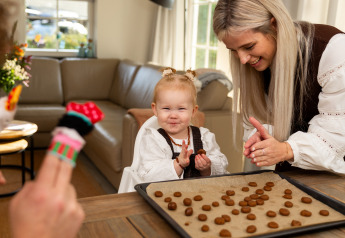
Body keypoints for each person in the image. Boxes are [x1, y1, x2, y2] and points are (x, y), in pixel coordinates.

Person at [212, 0, 345, 174]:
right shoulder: (257, 65)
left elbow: (335, 139)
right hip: (293, 174)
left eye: (249, 46)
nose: (242, 59)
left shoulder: (334, 50)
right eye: (234, 50)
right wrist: (264, 134)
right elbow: (267, 123)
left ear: (274, 25)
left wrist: (286, 150)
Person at [137, 68, 229, 182]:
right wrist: (178, 164)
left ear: (193, 111)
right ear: (155, 109)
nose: (173, 115)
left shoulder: (204, 137)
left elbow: (221, 167)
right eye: (166, 108)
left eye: (181, 109)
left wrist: (207, 168)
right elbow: (149, 175)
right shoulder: (153, 140)